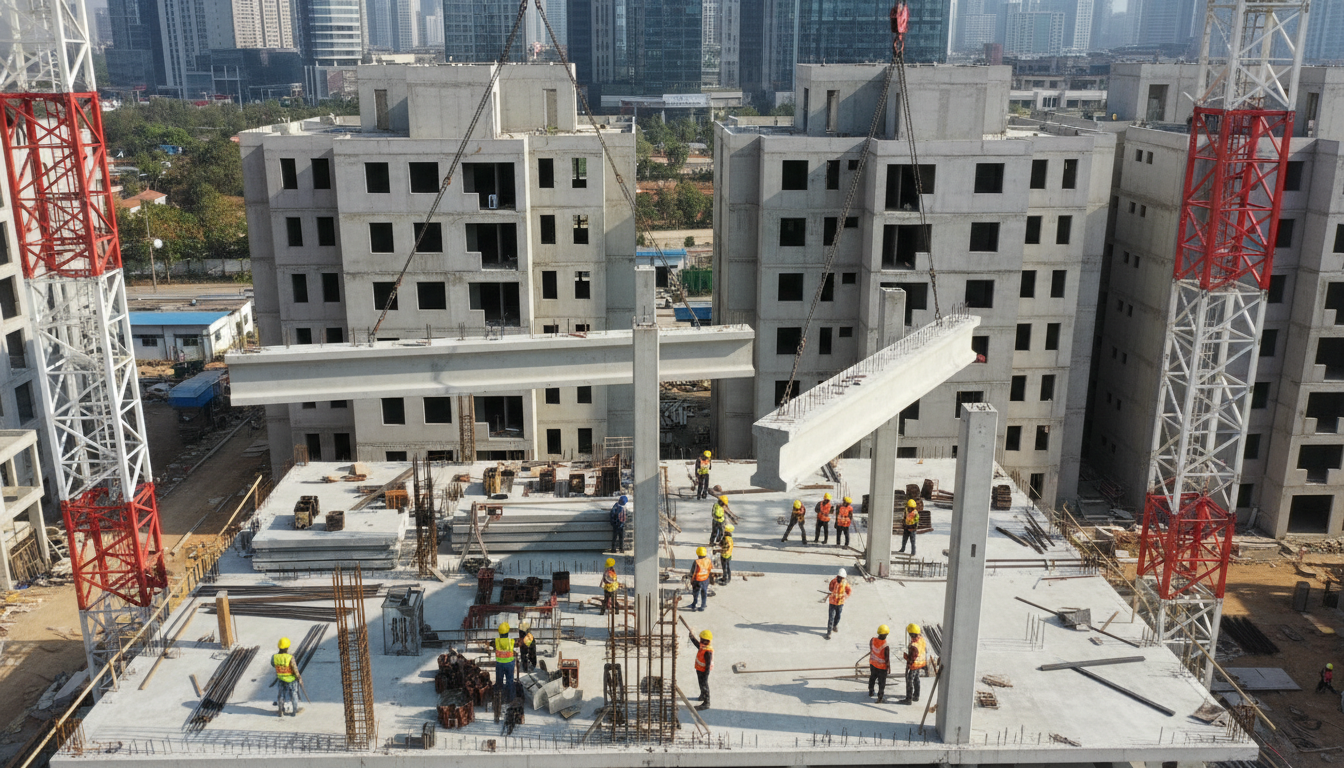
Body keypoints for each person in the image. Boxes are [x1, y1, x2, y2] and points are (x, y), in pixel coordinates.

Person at [272, 637, 304, 717]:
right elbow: (295, 669)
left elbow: (273, 664)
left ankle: (281, 710)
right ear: (287, 647)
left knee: (281, 694)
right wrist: (299, 678)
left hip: (280, 679)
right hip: (291, 679)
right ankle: (294, 711)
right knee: (294, 694)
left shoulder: (274, 657)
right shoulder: (290, 657)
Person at [902, 623, 927, 705]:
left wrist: (906, 657)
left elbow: (911, 659)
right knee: (916, 680)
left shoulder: (914, 646)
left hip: (914, 665)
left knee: (910, 681)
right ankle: (916, 696)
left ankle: (908, 699)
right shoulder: (922, 640)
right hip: (920, 664)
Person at [689, 628, 713, 710]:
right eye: (701, 640)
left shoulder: (708, 651)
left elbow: (708, 664)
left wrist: (706, 675)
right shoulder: (702, 646)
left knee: (704, 685)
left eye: (704, 640)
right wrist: (691, 636)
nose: (701, 642)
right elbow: (696, 643)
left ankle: (707, 702)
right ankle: (703, 695)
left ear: (708, 641)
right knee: (701, 684)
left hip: (704, 672)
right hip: (699, 669)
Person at [825, 569, 852, 640]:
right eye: (839, 577)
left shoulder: (845, 583)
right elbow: (830, 588)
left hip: (840, 603)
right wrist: (832, 592)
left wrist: (845, 597)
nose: (840, 578)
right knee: (831, 618)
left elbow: (849, 591)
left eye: (841, 577)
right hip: (832, 602)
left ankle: (835, 625)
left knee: (838, 616)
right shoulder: (833, 581)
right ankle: (829, 633)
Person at [868, 625, 891, 703]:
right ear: (886, 634)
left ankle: (871, 691)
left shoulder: (872, 640)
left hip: (873, 664)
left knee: (872, 677)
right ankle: (880, 697)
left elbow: (871, 648)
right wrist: (888, 668)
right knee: (881, 682)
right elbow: (887, 659)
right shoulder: (886, 646)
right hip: (882, 667)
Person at [494, 622, 516, 697]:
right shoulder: (511, 641)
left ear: (499, 632)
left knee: (499, 682)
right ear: (508, 632)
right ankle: (510, 698)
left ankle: (499, 698)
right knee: (510, 681)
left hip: (499, 664)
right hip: (510, 664)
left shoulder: (496, 641)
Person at [690, 546, 713, 611]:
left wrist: (691, 579)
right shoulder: (708, 560)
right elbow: (710, 568)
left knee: (695, 592)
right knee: (704, 592)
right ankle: (703, 605)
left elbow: (693, 571)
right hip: (705, 579)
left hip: (697, 580)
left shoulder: (696, 562)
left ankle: (694, 604)